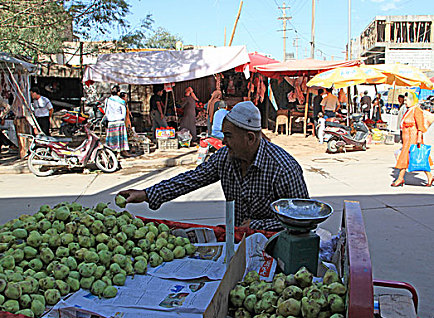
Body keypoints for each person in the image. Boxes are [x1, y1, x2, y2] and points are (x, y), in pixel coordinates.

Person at [117, 101, 309, 232]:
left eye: (229, 136)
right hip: (237, 242)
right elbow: (190, 180)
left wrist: (259, 225)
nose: (224, 142)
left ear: (249, 138)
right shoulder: (225, 158)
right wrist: (146, 194)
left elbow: (304, 220)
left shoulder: (284, 168)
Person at [391, 91, 432, 187]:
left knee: (413, 158)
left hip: (413, 139)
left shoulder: (417, 110)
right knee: (416, 158)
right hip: (407, 140)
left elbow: (420, 126)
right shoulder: (408, 110)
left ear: (412, 100)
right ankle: (429, 176)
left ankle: (400, 178)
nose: (404, 102)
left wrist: (418, 139)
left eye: (406, 100)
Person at [105, 85, 130, 157]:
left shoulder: (108, 100)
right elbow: (124, 112)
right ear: (118, 92)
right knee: (120, 138)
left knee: (112, 138)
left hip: (111, 122)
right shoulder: (121, 101)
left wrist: (109, 118)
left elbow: (106, 111)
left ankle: (113, 152)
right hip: (119, 121)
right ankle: (120, 152)